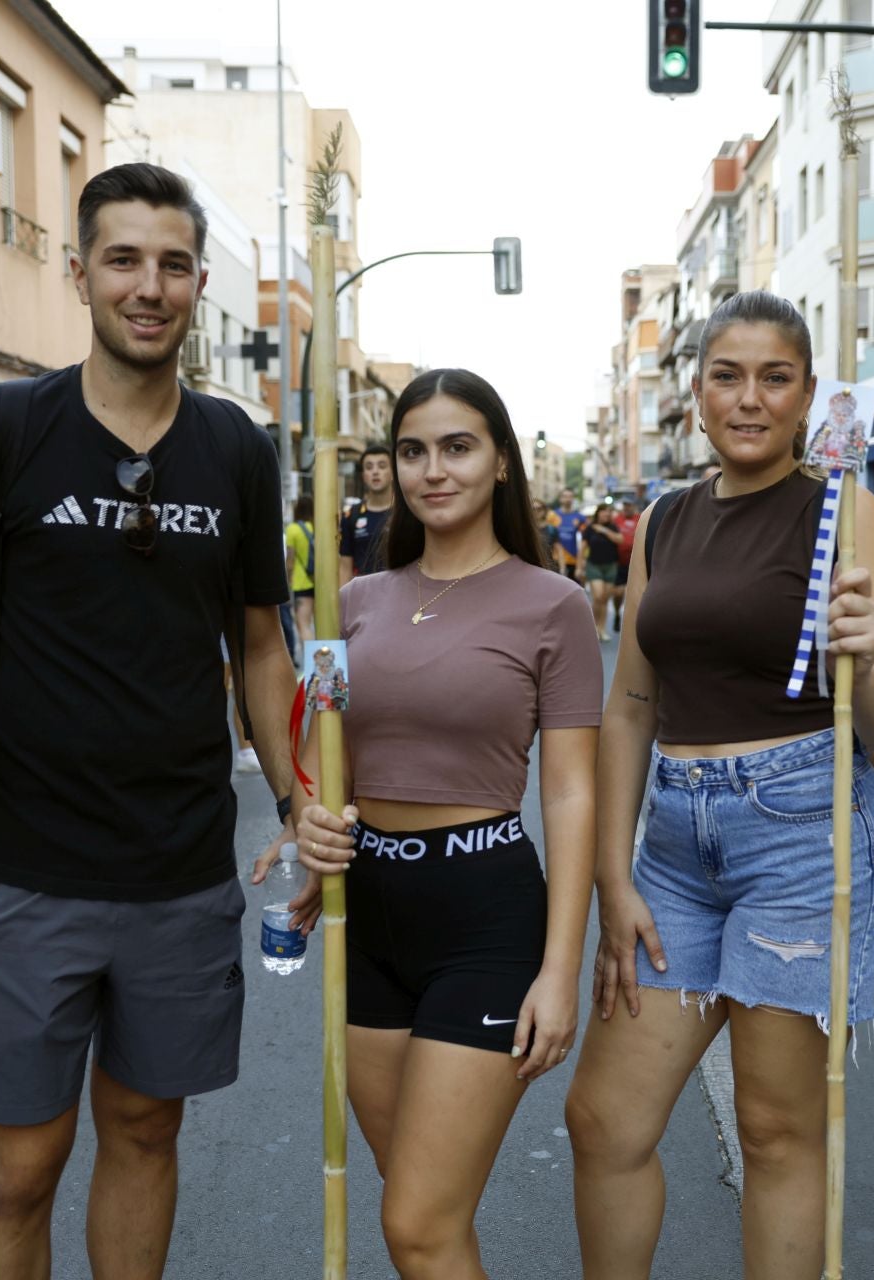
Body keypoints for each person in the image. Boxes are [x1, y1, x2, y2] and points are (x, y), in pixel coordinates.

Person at [0, 162, 297, 1278]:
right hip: (27, 864)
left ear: (200, 282)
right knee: (19, 1165)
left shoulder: (237, 450)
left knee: (146, 1129)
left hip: (179, 865)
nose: (147, 285)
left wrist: (302, 802)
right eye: (123, 259)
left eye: (171, 263)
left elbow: (261, 643)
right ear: (80, 273)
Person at [565, 290, 874, 1280]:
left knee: (775, 1129)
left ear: (809, 394)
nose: (750, 398)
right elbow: (631, 704)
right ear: (697, 391)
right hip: (674, 844)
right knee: (603, 1118)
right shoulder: (664, 522)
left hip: (802, 833)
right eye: (728, 375)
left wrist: (866, 660)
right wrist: (612, 877)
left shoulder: (848, 513)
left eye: (776, 377)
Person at [277, 368, 600, 1279]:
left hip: (484, 916)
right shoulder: (357, 605)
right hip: (364, 913)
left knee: (417, 1221)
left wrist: (560, 971)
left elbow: (572, 792)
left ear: (500, 461)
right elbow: (324, 750)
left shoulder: (555, 605)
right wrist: (313, 826)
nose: (432, 470)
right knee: (419, 1214)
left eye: (457, 447)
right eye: (412, 450)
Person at [341, 447, 395, 581]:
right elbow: (345, 566)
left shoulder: (407, 512)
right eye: (369, 467)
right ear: (363, 475)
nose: (375, 472)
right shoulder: (351, 515)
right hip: (363, 597)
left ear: (393, 472)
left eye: (382, 466)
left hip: (401, 595)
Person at [581, 499, 623, 641]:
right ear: (598, 513)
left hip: (611, 566)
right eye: (604, 511)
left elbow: (620, 540)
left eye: (609, 512)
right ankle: (592, 627)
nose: (607, 514)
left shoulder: (613, 527)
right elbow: (583, 548)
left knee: (605, 599)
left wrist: (604, 530)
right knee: (598, 596)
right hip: (594, 565)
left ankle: (602, 629)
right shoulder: (590, 528)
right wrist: (579, 566)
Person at [286, 493, 318, 645]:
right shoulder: (318, 527)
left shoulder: (293, 529)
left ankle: (312, 665)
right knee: (322, 626)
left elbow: (290, 560)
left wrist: (288, 579)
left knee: (304, 626)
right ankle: (326, 663)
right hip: (321, 581)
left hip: (301, 582)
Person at [611, 498, 639, 632]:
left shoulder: (640, 518)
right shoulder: (616, 520)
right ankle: (617, 613)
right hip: (618, 562)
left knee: (634, 593)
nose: (627, 508)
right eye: (625, 505)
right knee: (618, 593)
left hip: (635, 561)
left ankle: (631, 623)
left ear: (634, 506)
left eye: (629, 505)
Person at [552, 486, 588, 579]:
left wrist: (582, 561)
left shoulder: (580, 518)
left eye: (570, 496)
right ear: (560, 498)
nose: (568, 499)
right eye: (565, 496)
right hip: (555, 560)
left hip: (574, 560)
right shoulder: (552, 516)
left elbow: (585, 541)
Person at [531, 497, 561, 571]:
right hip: (530, 568)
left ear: (544, 510)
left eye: (539, 508)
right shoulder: (524, 529)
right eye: (533, 509)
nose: (536, 511)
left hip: (548, 568)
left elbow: (559, 549)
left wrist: (562, 568)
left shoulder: (552, 529)